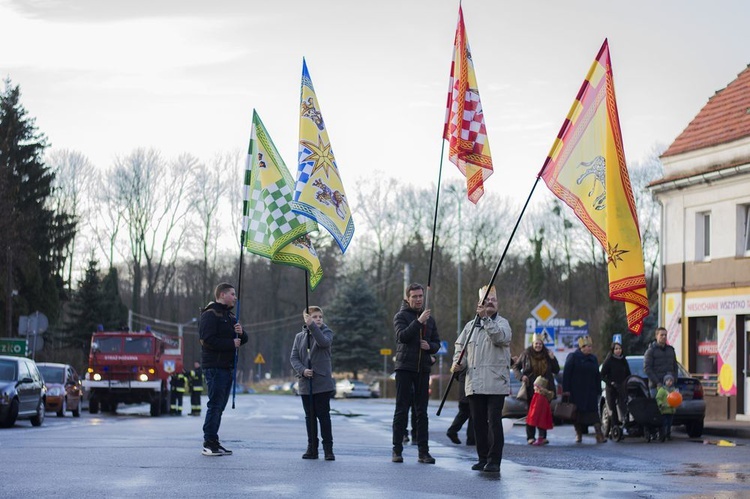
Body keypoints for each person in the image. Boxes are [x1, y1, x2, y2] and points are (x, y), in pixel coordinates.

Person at [451, 285, 512, 473]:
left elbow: (500, 338)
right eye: (487, 301)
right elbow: (460, 348)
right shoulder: (470, 326)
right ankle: (482, 457)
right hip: (474, 382)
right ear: (479, 304)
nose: (490, 303)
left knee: (494, 422)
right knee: (478, 423)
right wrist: (457, 363)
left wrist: (486, 318)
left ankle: (494, 460)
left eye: (493, 300)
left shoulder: (503, 323)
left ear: (497, 304)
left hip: (495, 382)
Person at [391, 283, 440, 464]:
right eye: (415, 296)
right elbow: (402, 336)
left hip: (422, 369)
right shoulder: (400, 316)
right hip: (405, 367)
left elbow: (437, 342)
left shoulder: (430, 320)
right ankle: (397, 449)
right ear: (407, 298)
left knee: (422, 412)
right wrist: (418, 322)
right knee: (401, 409)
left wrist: (430, 347)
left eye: (420, 296)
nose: (418, 299)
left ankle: (423, 451)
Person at [199, 282, 249, 456]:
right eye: (232, 294)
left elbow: (243, 339)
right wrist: (230, 343)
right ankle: (208, 442)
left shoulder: (230, 316)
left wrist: (241, 333)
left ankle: (214, 441)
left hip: (227, 367)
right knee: (215, 405)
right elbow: (206, 340)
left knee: (220, 406)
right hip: (215, 367)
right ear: (222, 295)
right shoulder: (210, 315)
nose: (235, 297)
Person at [290, 306, 336, 461]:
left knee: (323, 416)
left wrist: (313, 327)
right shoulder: (299, 337)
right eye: (314, 317)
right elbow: (294, 357)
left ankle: (328, 450)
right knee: (310, 417)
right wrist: (303, 370)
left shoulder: (327, 332)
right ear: (306, 318)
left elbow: (323, 343)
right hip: (306, 383)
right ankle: (312, 448)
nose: (318, 320)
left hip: (322, 382)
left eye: (320, 317)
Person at [513, 333, 559, 444]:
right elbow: (515, 367)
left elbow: (556, 370)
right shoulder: (526, 354)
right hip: (531, 388)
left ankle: (542, 436)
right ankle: (530, 437)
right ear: (533, 344)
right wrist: (521, 376)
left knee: (543, 412)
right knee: (531, 412)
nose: (538, 345)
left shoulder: (548, 354)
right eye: (536, 343)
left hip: (545, 389)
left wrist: (553, 359)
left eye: (540, 344)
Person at [563, 336, 605, 443]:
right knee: (577, 415)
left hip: (590, 390)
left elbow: (597, 375)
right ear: (582, 347)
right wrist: (566, 389)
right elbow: (567, 374)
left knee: (594, 414)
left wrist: (598, 389)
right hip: (576, 391)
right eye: (587, 347)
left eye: (590, 347)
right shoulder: (573, 357)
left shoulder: (593, 359)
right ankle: (579, 434)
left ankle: (599, 434)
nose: (590, 349)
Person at [599, 341, 631, 437]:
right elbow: (602, 375)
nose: (618, 351)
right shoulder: (609, 360)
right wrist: (610, 382)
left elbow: (628, 373)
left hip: (622, 387)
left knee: (623, 405)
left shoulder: (623, 360)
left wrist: (627, 382)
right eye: (616, 349)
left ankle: (625, 424)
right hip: (611, 388)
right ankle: (614, 426)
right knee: (612, 407)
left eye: (619, 349)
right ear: (613, 350)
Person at [644, 327, 678, 394]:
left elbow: (675, 366)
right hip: (656, 387)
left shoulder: (671, 350)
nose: (664, 337)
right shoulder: (651, 351)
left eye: (665, 335)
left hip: (670, 386)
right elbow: (647, 368)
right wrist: (657, 382)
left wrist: (674, 379)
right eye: (661, 335)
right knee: (657, 404)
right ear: (656, 336)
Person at [446, 368, 475, 446]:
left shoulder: (461, 359)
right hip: (472, 388)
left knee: (463, 413)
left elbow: (456, 373)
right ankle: (471, 439)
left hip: (463, 388)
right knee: (474, 414)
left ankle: (452, 430)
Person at [526, 376, 554, 446]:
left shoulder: (539, 397)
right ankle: (540, 438)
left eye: (535, 386)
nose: (533, 388)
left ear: (539, 387)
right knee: (541, 427)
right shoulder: (541, 396)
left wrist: (532, 415)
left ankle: (540, 439)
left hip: (539, 416)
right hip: (541, 415)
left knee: (540, 427)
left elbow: (536, 407)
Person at [656, 373, 678, 442]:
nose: (669, 382)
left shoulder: (673, 390)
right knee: (664, 423)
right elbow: (658, 398)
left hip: (671, 410)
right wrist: (660, 404)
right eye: (667, 381)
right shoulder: (662, 390)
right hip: (664, 410)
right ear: (664, 382)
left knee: (669, 424)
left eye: (671, 381)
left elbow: (676, 398)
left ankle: (668, 435)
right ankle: (663, 435)